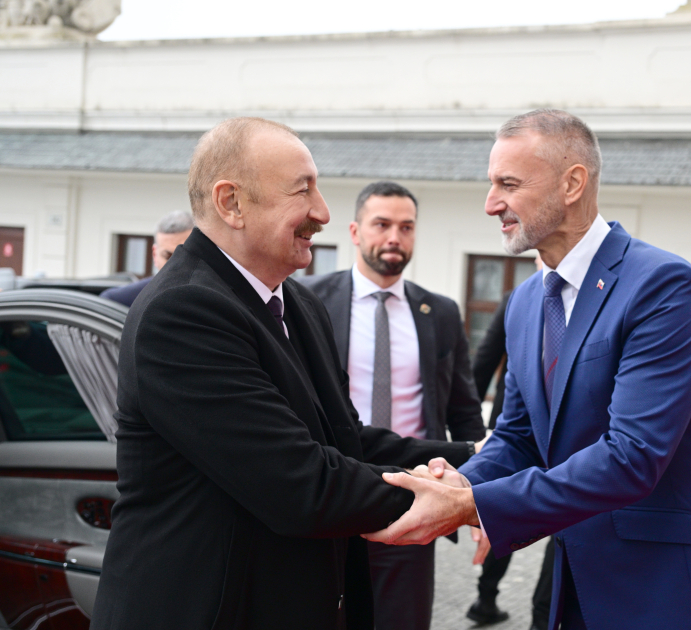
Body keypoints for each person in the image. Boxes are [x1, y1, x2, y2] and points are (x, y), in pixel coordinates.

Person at [364, 109, 691, 630]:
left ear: (572, 183)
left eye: (508, 184)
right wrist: (459, 481)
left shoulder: (663, 286)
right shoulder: (526, 302)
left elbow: (632, 456)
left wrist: (470, 505)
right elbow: (519, 437)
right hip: (574, 584)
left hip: (666, 589)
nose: (491, 204)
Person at [90, 118, 477, 630]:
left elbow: (345, 440)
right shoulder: (182, 311)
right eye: (303, 190)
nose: (323, 212)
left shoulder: (297, 302)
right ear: (231, 203)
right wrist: (462, 501)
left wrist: (477, 458)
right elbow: (302, 485)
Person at [301, 180, 486, 630]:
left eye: (406, 227)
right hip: (333, 494)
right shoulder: (307, 301)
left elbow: (464, 411)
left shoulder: (440, 313)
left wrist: (481, 495)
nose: (394, 238)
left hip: (415, 496)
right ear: (354, 231)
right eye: (381, 224)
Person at [466, 263, 554, 630]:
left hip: (562, 439)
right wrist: (476, 438)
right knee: (501, 512)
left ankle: (530, 608)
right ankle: (488, 598)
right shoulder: (518, 299)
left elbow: (482, 364)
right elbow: (483, 362)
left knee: (515, 513)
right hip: (513, 426)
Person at [99, 210, 194, 306]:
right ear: (154, 254)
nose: (175, 264)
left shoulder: (204, 301)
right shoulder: (118, 301)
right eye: (167, 256)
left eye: (184, 255)